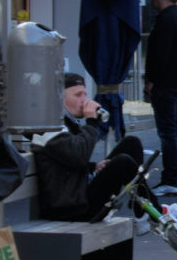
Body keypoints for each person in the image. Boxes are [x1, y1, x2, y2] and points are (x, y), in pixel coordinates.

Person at [30, 76, 144, 222]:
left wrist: (93, 168)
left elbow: (67, 162)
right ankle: (154, 213)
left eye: (85, 94)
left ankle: (141, 209)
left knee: (131, 143)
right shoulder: (48, 126)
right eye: (78, 95)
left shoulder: (68, 122)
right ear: (59, 98)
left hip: (79, 195)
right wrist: (91, 123)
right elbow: (78, 156)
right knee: (122, 162)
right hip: (69, 209)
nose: (84, 100)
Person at [142, 0, 177, 195]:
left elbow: (159, 56)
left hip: (166, 85)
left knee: (169, 133)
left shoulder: (165, 21)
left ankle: (171, 178)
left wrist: (151, 81)